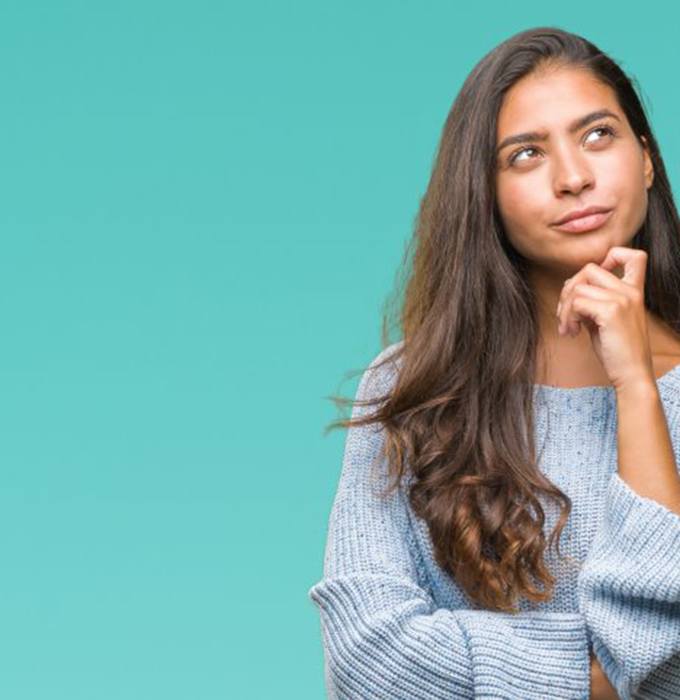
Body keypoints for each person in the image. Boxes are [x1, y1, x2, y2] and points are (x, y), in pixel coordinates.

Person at [307, 26, 680, 700]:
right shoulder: (412, 386)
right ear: (486, 194)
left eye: (598, 134)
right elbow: (370, 662)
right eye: (527, 154)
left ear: (647, 160)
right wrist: (593, 677)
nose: (573, 178)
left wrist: (636, 386)